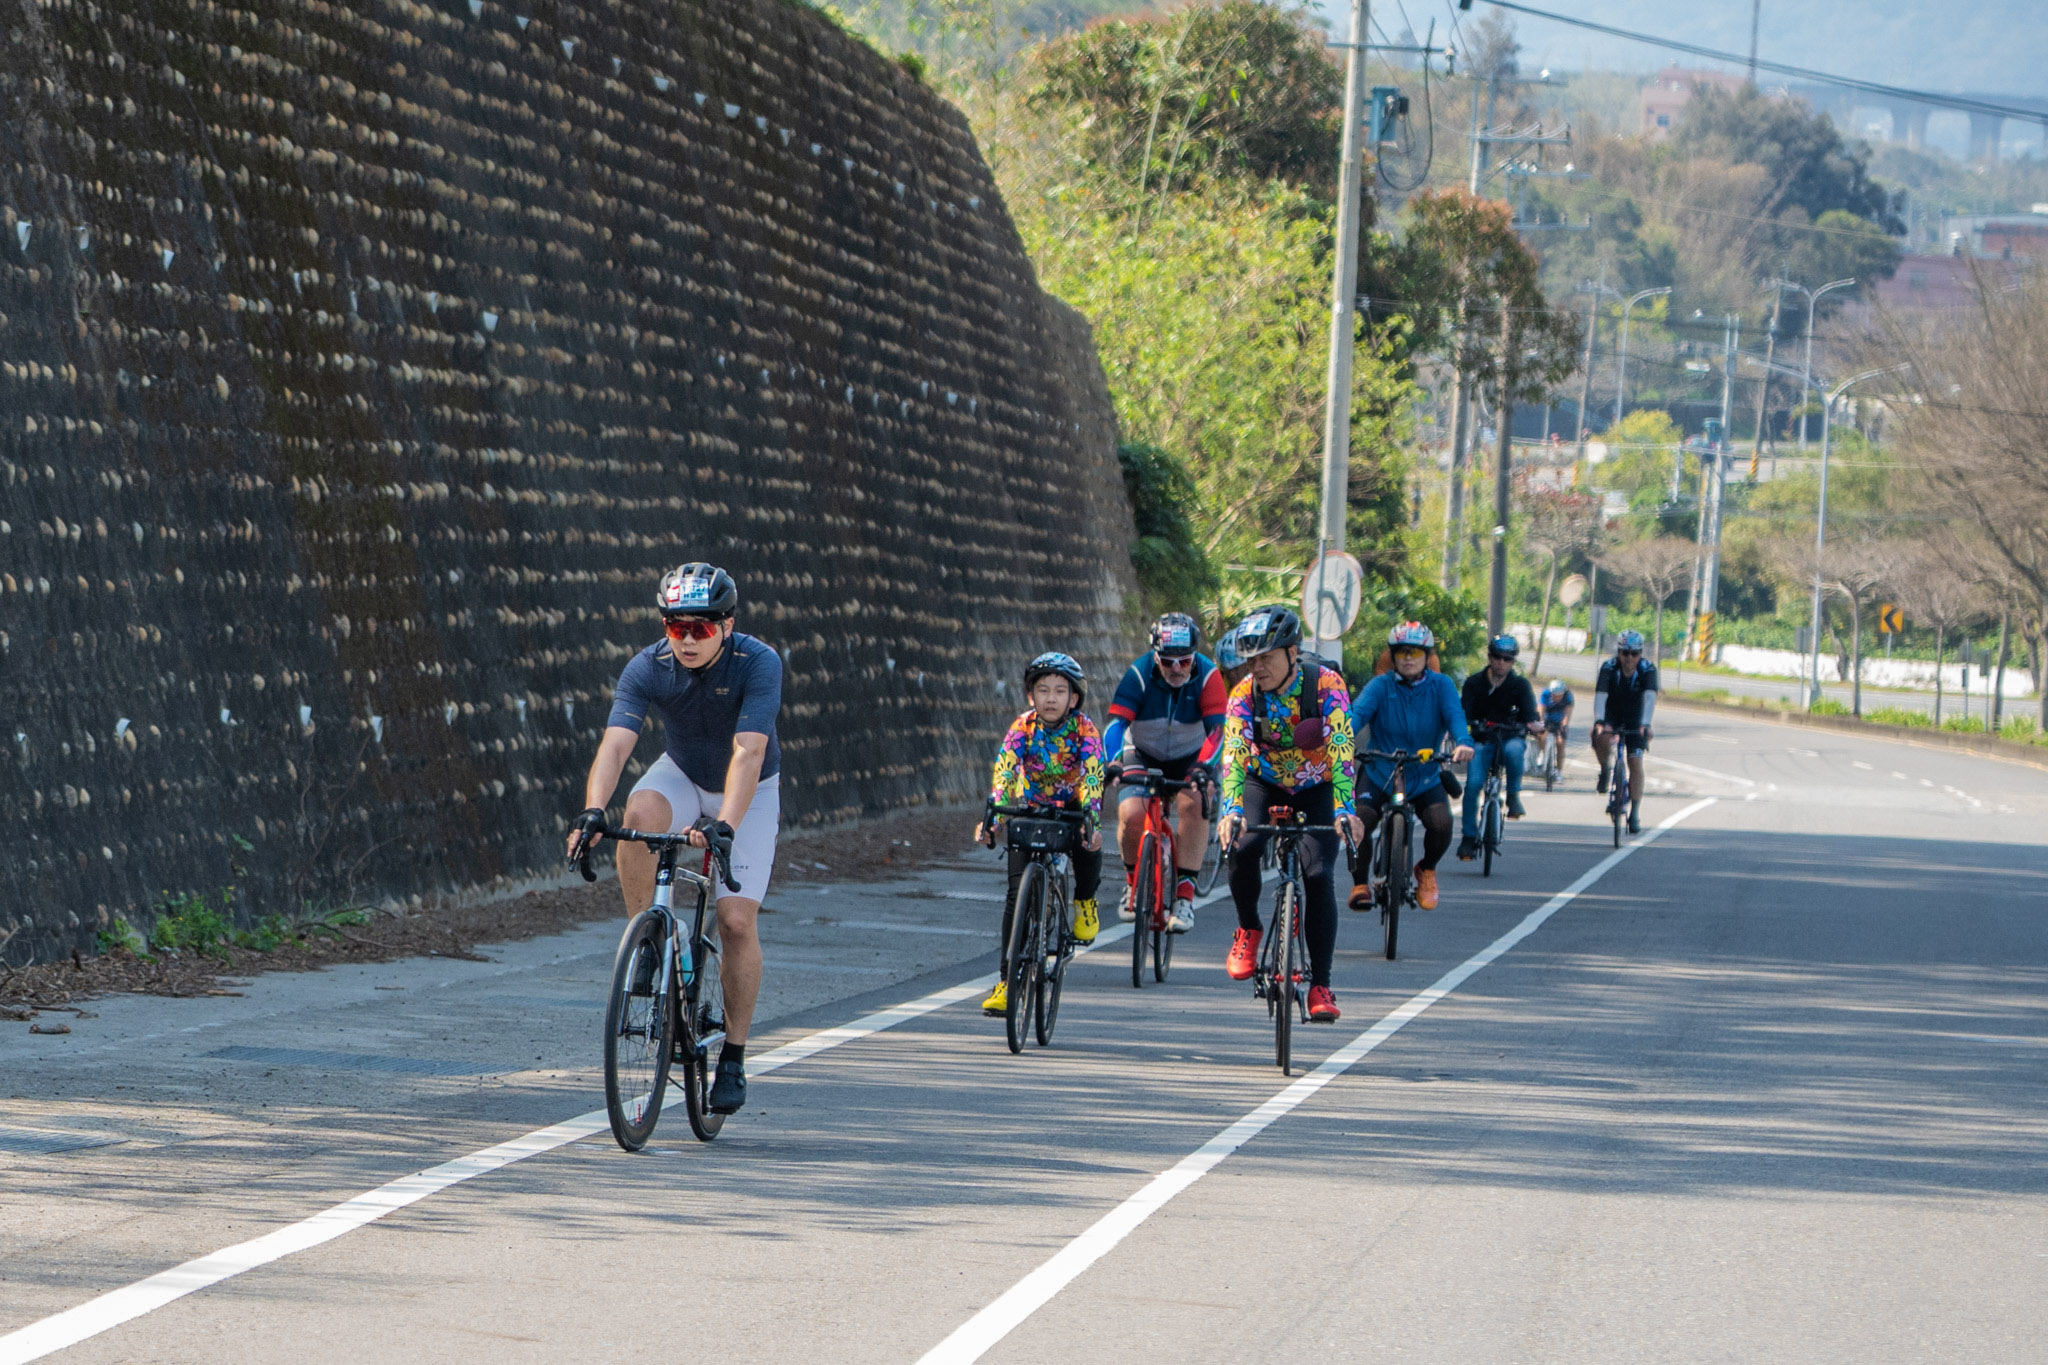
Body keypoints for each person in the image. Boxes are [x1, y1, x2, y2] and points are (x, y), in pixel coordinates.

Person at [567, 563, 781, 1116]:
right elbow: (617, 744)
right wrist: (593, 810)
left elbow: (749, 752)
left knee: (735, 922)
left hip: (749, 789)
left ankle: (733, 1055)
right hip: (683, 773)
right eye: (675, 626)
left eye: (701, 628)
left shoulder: (758, 662)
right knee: (638, 817)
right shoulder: (649, 665)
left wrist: (724, 824)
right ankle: (651, 940)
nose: (686, 640)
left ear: (727, 625)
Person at [1214, 607, 1358, 1024]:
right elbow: (1234, 755)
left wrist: (1345, 810)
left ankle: (1321, 985)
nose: (1257, 668)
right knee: (1242, 845)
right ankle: (1248, 927)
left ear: (1293, 653)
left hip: (1318, 784)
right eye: (1251, 660)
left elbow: (1342, 749)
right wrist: (1231, 809)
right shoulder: (1243, 694)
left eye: (1267, 658)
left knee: (1318, 874)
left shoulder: (1326, 685)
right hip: (1264, 781)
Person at [974, 652, 1105, 1016]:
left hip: (1072, 807)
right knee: (1015, 895)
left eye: (1060, 691)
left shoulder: (1085, 730)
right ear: (1031, 695)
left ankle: (1085, 901)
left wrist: (1092, 819)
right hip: (1030, 808)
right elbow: (1005, 772)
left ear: (1073, 698)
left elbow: (1093, 778)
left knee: (1087, 840)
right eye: (1043, 690)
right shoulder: (1022, 727)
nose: (1050, 698)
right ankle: (1007, 982)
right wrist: (994, 819)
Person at [1105, 613, 1227, 933]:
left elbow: (1217, 732)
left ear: (1194, 657)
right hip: (1142, 752)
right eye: (1167, 661)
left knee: (1195, 803)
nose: (1176, 669)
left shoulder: (1209, 676)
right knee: (1131, 813)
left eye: (1184, 661)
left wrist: (1203, 767)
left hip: (1191, 756)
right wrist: (1114, 762)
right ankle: (1132, 883)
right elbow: (1116, 725)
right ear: (1155, 656)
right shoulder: (1139, 672)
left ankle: (1184, 898)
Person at [1349, 622, 1473, 911]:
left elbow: (1456, 718)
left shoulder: (1441, 685)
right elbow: (1356, 715)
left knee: (1441, 823)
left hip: (1424, 773)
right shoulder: (1380, 686)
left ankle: (1426, 869)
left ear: (1427, 656)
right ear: (1392, 656)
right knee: (1359, 820)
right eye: (1401, 652)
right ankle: (1360, 883)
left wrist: (1463, 743)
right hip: (1380, 770)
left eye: (1415, 653)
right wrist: (1339, 739)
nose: (1407, 658)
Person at [1457, 634, 1540, 859]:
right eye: (1497, 657)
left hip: (1510, 738)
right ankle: (1468, 837)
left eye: (1507, 659)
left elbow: (1530, 714)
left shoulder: (1520, 685)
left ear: (1513, 661)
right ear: (1489, 657)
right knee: (1473, 786)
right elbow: (1462, 714)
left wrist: (1534, 725)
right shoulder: (1474, 683)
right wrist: (1463, 728)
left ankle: (1513, 795)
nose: (1501, 663)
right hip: (1482, 741)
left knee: (1515, 751)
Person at [1592, 630, 1658, 834]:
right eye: (1625, 653)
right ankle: (1605, 769)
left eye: (1634, 654)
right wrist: (1600, 721)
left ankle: (1635, 812)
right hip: (1612, 712)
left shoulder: (1648, 669)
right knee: (1600, 735)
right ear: (1619, 653)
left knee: (1635, 762)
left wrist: (1645, 724)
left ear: (1640, 654)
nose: (1629, 658)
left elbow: (1649, 698)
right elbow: (1601, 695)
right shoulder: (1609, 667)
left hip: (1636, 716)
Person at [1537, 676, 1575, 778]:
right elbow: (1540, 710)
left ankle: (1559, 772)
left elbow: (1567, 714)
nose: (1557, 698)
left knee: (1560, 743)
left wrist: (1564, 725)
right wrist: (1540, 722)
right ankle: (1542, 752)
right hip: (1547, 719)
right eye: (1554, 695)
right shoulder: (1545, 694)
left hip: (1560, 721)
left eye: (1559, 695)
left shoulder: (1568, 696)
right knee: (1540, 735)